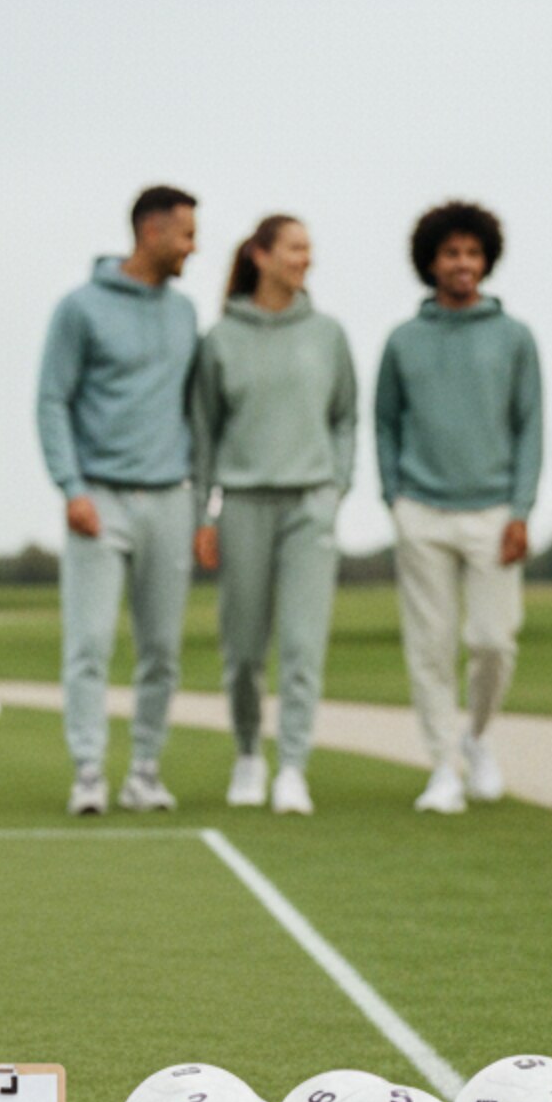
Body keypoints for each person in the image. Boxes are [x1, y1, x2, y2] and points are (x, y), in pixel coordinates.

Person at [36, 186, 201, 815]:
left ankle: (145, 772)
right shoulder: (79, 308)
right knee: (90, 644)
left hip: (170, 499)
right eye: (185, 234)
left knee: (162, 651)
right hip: (100, 499)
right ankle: (88, 772)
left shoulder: (184, 313)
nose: (193, 247)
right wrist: (71, 487)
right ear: (151, 232)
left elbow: (192, 410)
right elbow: (53, 399)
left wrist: (200, 501)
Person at [375, 200, 542, 815]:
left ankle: (476, 737)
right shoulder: (404, 341)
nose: (463, 263)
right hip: (421, 510)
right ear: (431, 262)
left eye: (473, 253)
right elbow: (385, 424)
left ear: (487, 260)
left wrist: (521, 509)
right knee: (431, 646)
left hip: (493, 511)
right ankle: (443, 767)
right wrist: (394, 496)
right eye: (451, 253)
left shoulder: (514, 337)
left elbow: (530, 427)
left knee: (494, 641)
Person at [189, 214, 356, 815]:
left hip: (309, 505)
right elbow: (204, 436)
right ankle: (247, 755)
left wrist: (337, 486)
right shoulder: (219, 340)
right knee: (242, 651)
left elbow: (345, 417)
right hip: (242, 505)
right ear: (260, 255)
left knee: (303, 648)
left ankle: (292, 768)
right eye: (294, 248)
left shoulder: (328, 335)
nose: (304, 258)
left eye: (308, 249)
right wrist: (203, 516)